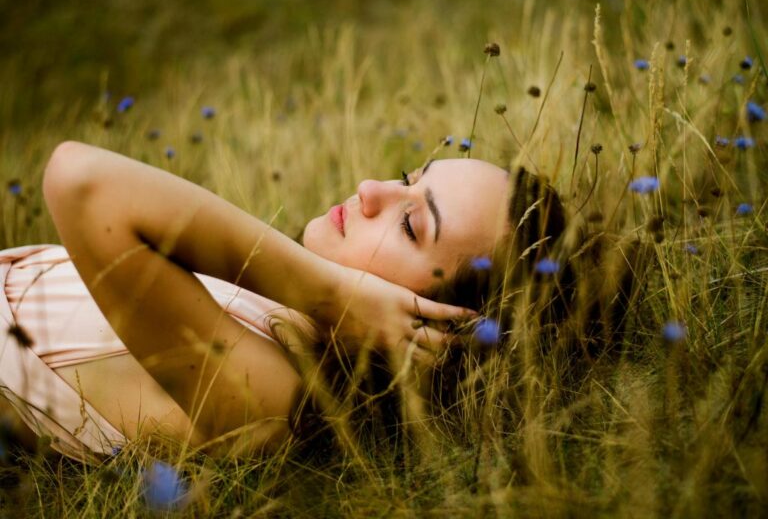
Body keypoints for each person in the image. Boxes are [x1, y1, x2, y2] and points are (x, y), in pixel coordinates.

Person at [3, 140, 573, 462]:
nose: (372, 189)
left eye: (410, 225)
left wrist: (329, 292)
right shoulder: (280, 309)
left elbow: (79, 179)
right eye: (408, 176)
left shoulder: (272, 398)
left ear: (437, 324)